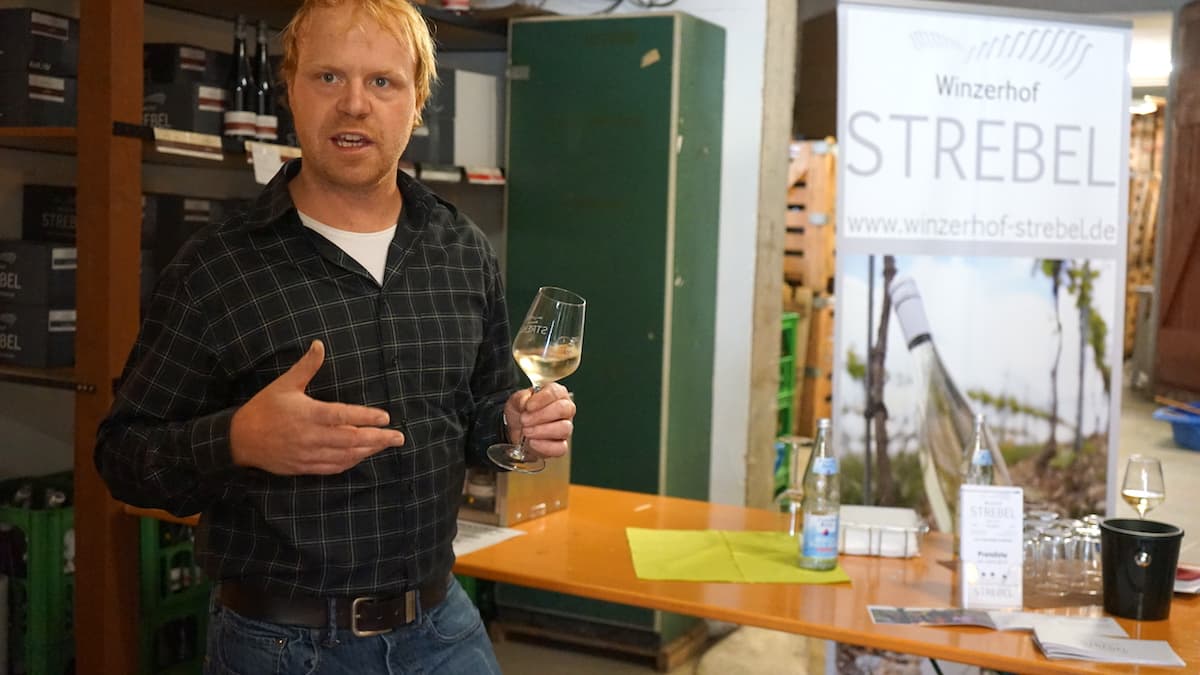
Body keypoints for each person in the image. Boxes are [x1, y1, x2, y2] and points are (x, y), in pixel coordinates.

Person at [94, 1, 577, 672]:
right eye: (327, 77)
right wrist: (239, 438)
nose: (354, 104)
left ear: (417, 102)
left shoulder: (462, 248)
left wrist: (515, 423)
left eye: (383, 82)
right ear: (290, 88)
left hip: (440, 627)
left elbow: (479, 415)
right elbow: (121, 453)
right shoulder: (217, 266)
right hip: (282, 644)